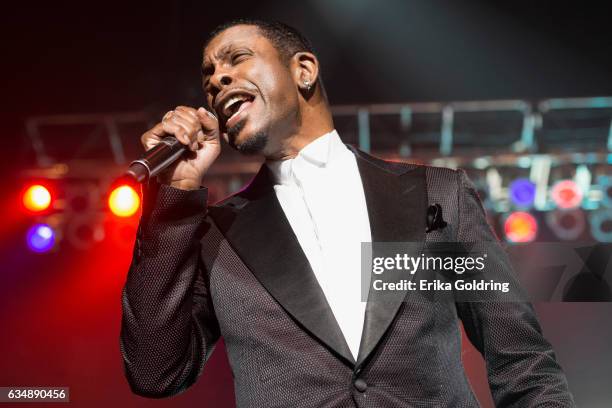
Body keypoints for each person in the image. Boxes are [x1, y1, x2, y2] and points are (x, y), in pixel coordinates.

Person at [120, 19, 575, 407]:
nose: (217, 79)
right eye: (208, 76)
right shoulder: (217, 233)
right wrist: (176, 193)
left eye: (236, 58)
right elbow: (154, 371)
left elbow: (521, 359)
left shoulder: (436, 195)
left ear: (303, 70)